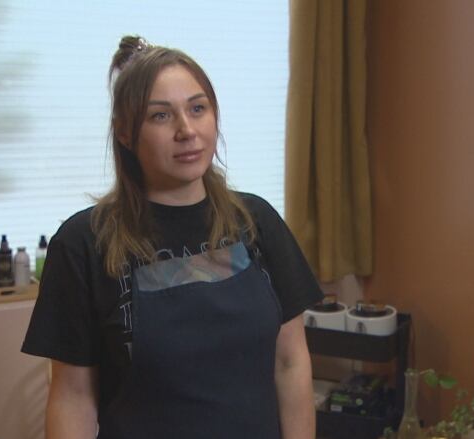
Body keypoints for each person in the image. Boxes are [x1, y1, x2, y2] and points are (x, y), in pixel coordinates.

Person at [21, 35, 323, 439]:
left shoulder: (257, 222)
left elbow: (289, 362)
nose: (186, 130)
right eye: (160, 116)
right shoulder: (84, 244)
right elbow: (73, 397)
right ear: (125, 133)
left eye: (197, 109)